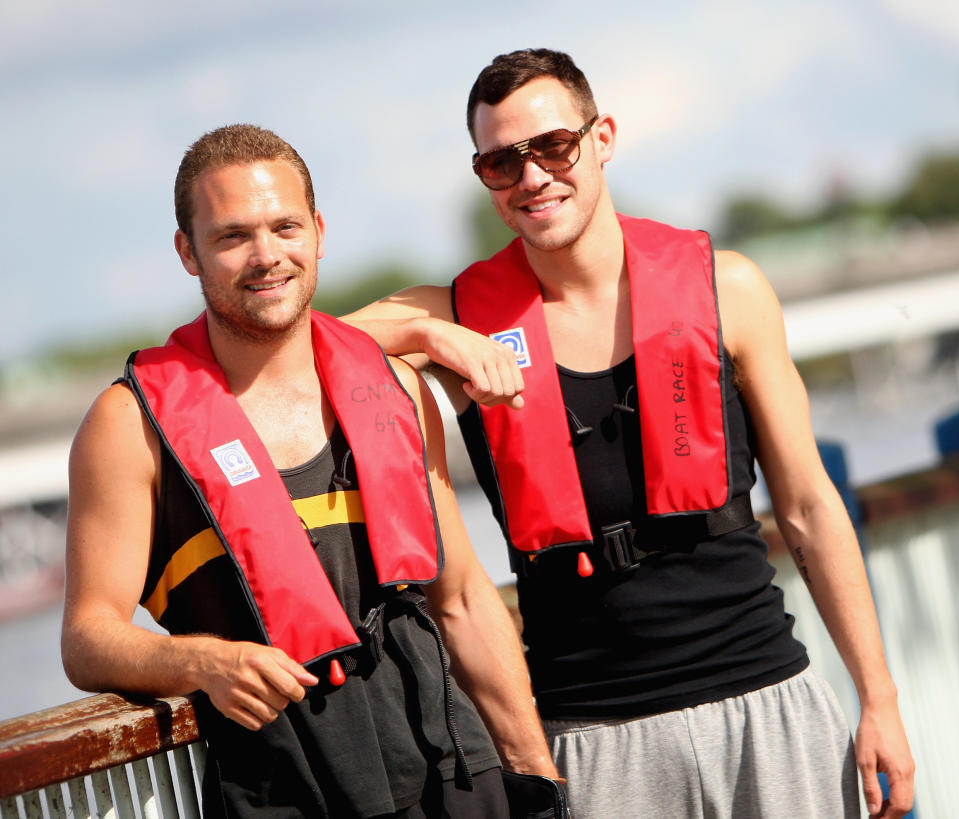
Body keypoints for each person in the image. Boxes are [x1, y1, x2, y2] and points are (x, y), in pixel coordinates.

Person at [347, 49, 915, 819]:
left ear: (602, 137)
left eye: (553, 146)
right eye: (502, 163)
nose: (533, 177)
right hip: (595, 742)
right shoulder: (463, 315)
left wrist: (878, 700)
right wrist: (432, 335)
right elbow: (312, 343)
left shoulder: (729, 287)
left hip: (766, 707)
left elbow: (811, 508)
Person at [61, 123, 561, 818]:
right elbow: (88, 635)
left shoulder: (397, 388)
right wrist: (204, 663)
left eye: (285, 227)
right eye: (233, 236)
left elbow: (466, 601)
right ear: (188, 251)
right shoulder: (127, 426)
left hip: (456, 775)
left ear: (318, 231)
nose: (267, 255)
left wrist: (538, 774)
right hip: (284, 794)